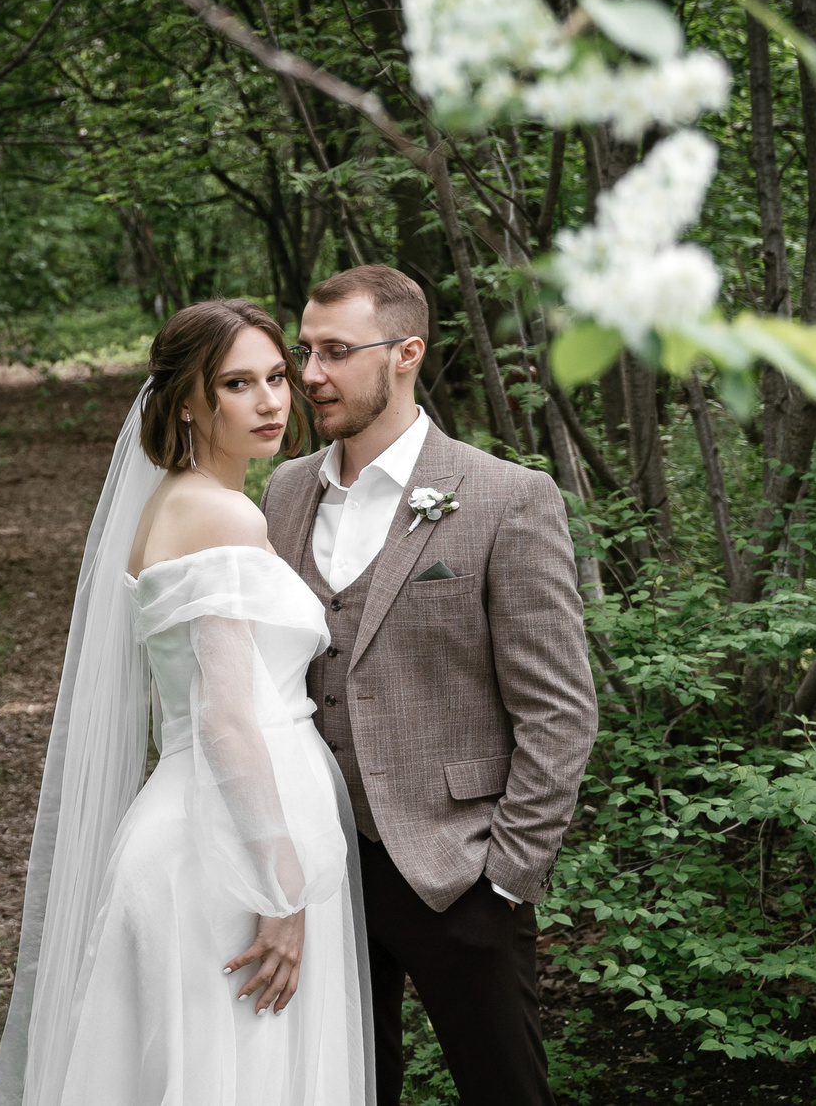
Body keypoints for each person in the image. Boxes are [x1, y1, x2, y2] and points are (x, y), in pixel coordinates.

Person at [0, 299, 373, 1106]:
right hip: (232, 845)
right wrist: (280, 889)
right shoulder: (219, 513)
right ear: (190, 401)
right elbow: (227, 720)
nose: (271, 401)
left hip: (201, 821)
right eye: (238, 383)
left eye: (277, 376)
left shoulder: (173, 501)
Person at [268, 265, 597, 1105]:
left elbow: (559, 712)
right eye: (305, 349)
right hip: (322, 870)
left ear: (406, 352)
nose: (311, 374)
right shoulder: (284, 492)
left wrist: (506, 877)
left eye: (337, 351)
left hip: (457, 873)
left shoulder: (506, 497)